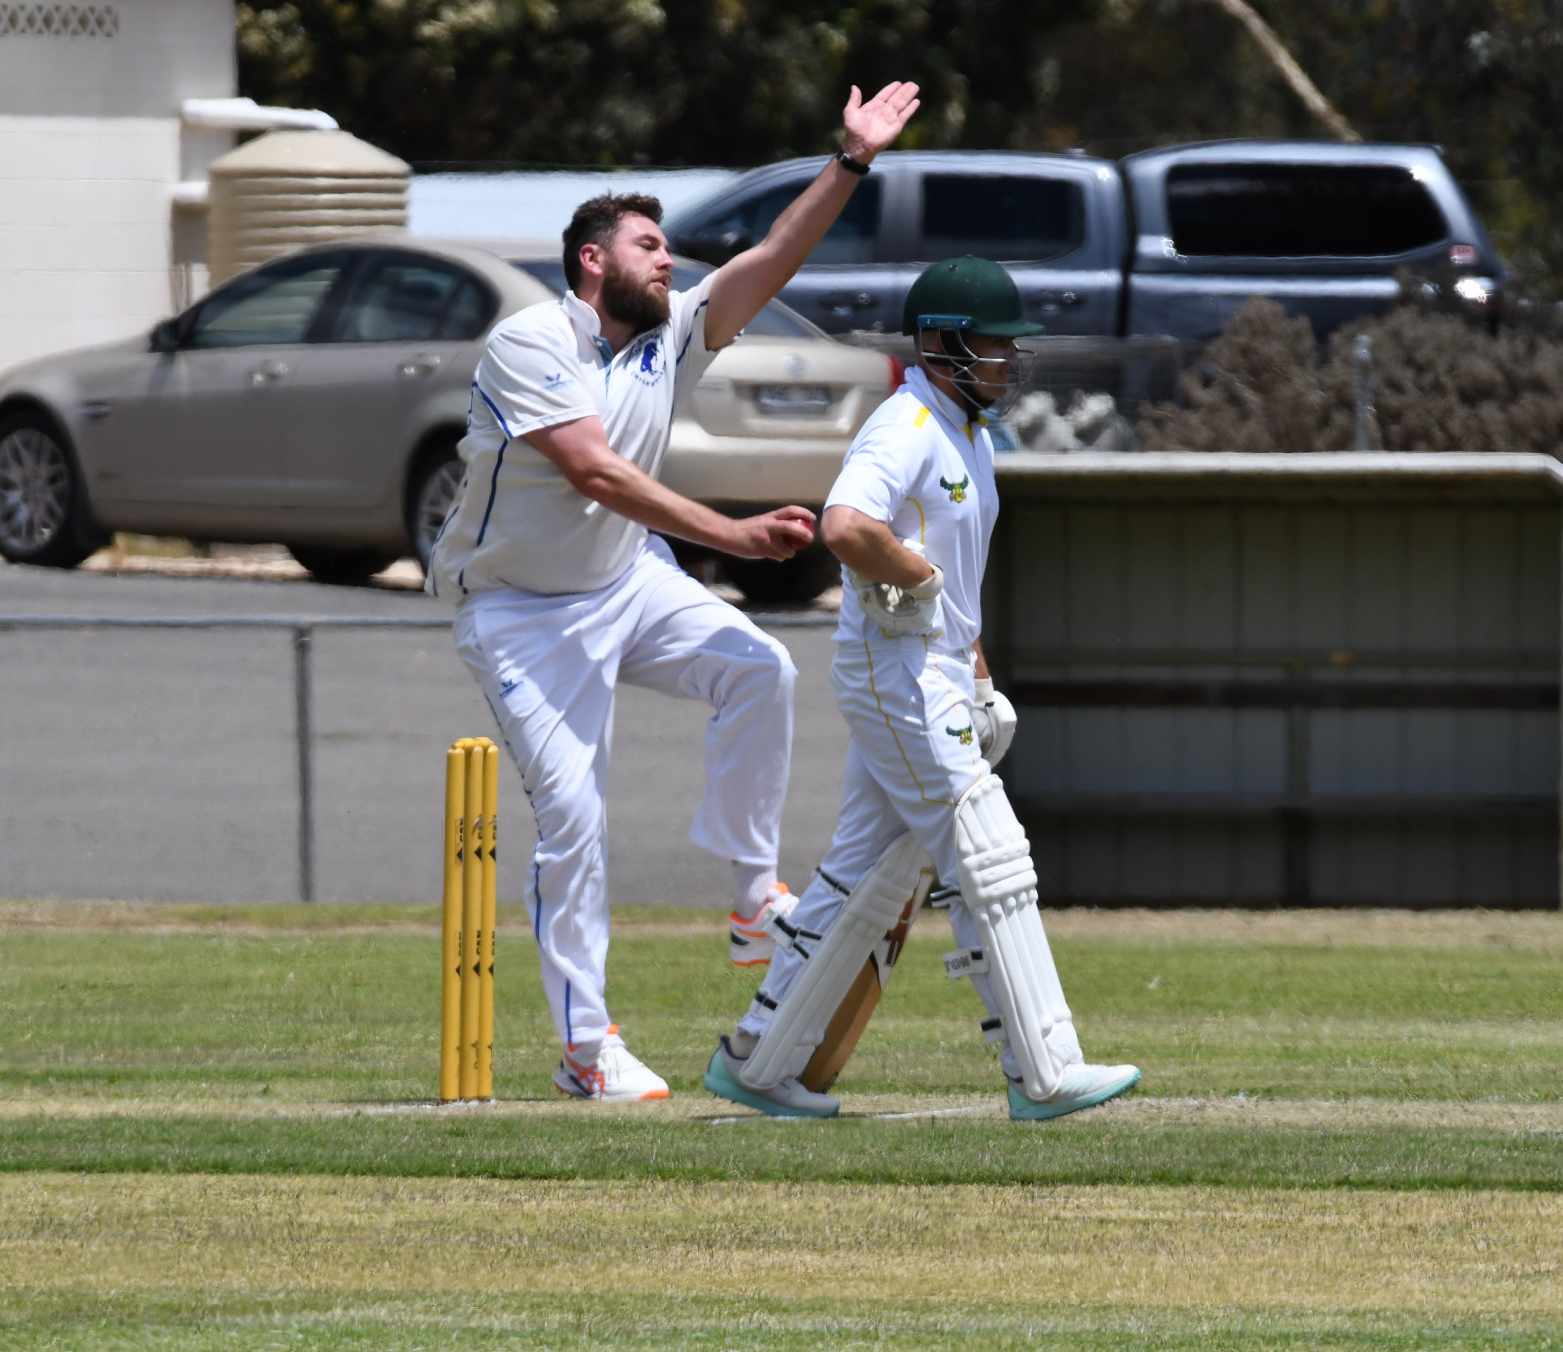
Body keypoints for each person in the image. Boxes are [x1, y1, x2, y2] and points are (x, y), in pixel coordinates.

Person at [428, 82, 922, 1102]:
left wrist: (852, 161)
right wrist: (732, 534)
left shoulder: (670, 332)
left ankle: (751, 904)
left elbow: (770, 259)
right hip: (521, 613)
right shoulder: (530, 343)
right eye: (648, 244)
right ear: (591, 262)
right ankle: (583, 1050)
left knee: (759, 670)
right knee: (571, 818)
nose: (668, 258)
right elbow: (596, 473)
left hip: (624, 580)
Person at [702, 256, 1142, 1121]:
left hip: (930, 670)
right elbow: (846, 525)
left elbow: (961, 574)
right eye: (993, 344)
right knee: (988, 852)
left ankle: (759, 1059)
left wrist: (975, 671)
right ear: (941, 345)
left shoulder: (969, 434)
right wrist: (920, 580)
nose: (1010, 362)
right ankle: (1043, 1070)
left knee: (857, 875)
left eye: (1014, 347)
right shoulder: (905, 422)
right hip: (892, 669)